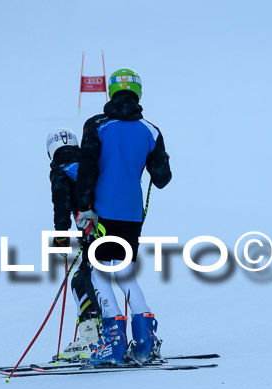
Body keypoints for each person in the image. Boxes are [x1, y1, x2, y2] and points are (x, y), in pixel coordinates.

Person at [75, 68, 172, 365]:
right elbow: (162, 178)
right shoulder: (151, 130)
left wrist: (84, 207)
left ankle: (114, 341)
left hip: (101, 212)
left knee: (100, 271)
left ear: (111, 92)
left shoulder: (97, 125)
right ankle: (144, 338)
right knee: (123, 272)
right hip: (131, 214)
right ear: (138, 93)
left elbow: (87, 169)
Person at [46, 127, 101, 362]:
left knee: (81, 280)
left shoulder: (61, 170)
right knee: (100, 279)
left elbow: (62, 204)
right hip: (114, 223)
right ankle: (108, 334)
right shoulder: (89, 162)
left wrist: (60, 238)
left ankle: (90, 338)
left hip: (92, 230)